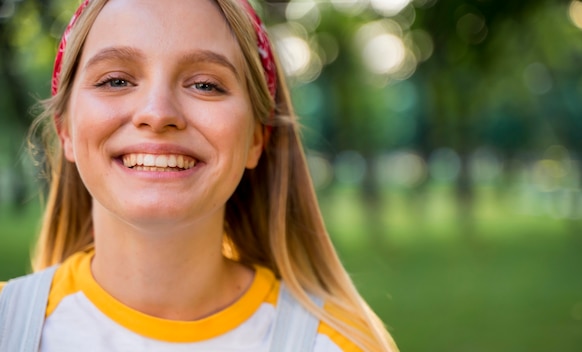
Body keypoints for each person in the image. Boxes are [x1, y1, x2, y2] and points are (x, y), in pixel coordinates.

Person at [0, 0, 398, 351]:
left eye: (206, 85)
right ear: (65, 129)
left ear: (256, 139)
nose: (157, 113)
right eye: (116, 80)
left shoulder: (337, 345)